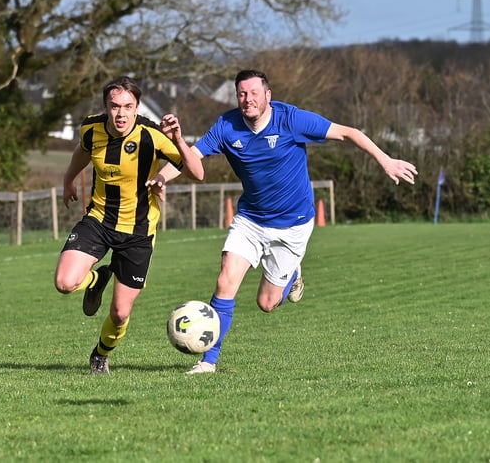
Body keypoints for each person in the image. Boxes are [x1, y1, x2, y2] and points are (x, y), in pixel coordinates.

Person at [147, 69, 418, 374]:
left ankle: (292, 273)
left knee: (266, 303)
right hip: (251, 220)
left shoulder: (291, 120)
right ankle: (208, 361)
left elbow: (349, 133)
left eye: (253, 93)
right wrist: (161, 176)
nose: (247, 99)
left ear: (267, 96)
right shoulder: (227, 125)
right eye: (241, 94)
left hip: (293, 226)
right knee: (225, 280)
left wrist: (386, 160)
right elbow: (193, 156)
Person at [54, 75, 204, 375]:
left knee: (120, 313)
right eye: (114, 106)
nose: (120, 113)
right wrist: (68, 179)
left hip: (137, 231)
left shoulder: (152, 135)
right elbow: (83, 151)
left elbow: (197, 172)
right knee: (65, 283)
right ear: (105, 107)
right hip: (98, 219)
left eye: (127, 106)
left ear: (137, 108)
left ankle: (100, 354)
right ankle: (96, 280)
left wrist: (177, 139)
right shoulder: (91, 128)